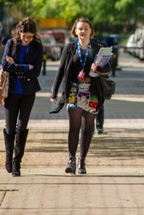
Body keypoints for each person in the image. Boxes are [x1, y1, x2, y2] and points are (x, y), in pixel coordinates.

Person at [50, 18, 110, 174]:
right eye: (80, 29)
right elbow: (61, 69)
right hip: (74, 91)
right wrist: (54, 91)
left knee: (88, 127)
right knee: (74, 126)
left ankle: (82, 161)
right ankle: (71, 159)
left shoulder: (98, 47)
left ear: (91, 31)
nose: (83, 31)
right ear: (75, 31)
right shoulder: (70, 48)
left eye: (86, 29)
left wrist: (98, 67)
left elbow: (108, 68)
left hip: (92, 90)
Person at [1, 17, 43, 177]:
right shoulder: (11, 44)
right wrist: (25, 67)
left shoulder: (37, 47)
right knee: (10, 127)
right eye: (24, 36)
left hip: (28, 92)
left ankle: (17, 162)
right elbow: (5, 65)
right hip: (11, 92)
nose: (26, 39)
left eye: (30, 37)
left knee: (22, 127)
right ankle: (8, 157)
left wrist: (16, 66)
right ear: (19, 33)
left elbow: (37, 71)